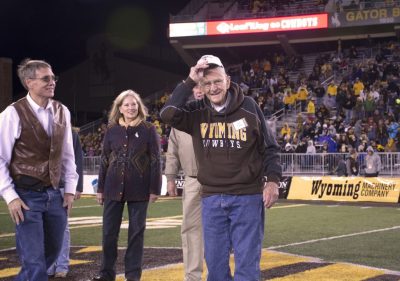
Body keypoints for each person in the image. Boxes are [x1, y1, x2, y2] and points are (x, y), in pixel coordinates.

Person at [160, 55, 282, 281]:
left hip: (247, 197)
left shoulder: (249, 107)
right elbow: (166, 114)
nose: (213, 88)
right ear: (201, 86)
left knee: (246, 266)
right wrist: (189, 81)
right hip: (212, 198)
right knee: (215, 268)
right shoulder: (196, 111)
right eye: (206, 83)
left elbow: (270, 148)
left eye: (217, 81)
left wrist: (273, 181)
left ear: (227, 80)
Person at [0, 58, 78, 281]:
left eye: (53, 77)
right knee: (34, 262)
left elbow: (68, 155)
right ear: (29, 82)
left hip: (55, 195)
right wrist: (10, 196)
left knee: (49, 256)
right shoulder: (12, 114)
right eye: (46, 78)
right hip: (26, 196)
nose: (52, 82)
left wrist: (70, 190)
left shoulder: (62, 111)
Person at [93, 89, 162, 281]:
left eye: (134, 104)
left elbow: (156, 160)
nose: (131, 108)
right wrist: (100, 188)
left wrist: (155, 189)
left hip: (139, 190)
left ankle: (132, 276)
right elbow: (104, 160)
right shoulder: (112, 130)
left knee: (136, 234)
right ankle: (106, 274)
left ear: (139, 106)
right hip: (112, 189)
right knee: (108, 234)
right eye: (127, 105)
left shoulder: (148, 129)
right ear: (120, 108)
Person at [165, 84, 204, 281]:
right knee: (190, 229)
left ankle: (219, 274)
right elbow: (172, 153)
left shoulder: (218, 114)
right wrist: (170, 178)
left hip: (220, 180)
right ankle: (192, 276)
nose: (198, 90)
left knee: (222, 229)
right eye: (195, 86)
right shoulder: (179, 120)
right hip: (191, 179)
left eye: (202, 86)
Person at [47, 127, 84, 278]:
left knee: (62, 227)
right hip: (42, 186)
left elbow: (77, 159)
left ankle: (61, 265)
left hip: (62, 186)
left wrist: (77, 186)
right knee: (44, 227)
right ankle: (49, 265)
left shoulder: (71, 133)